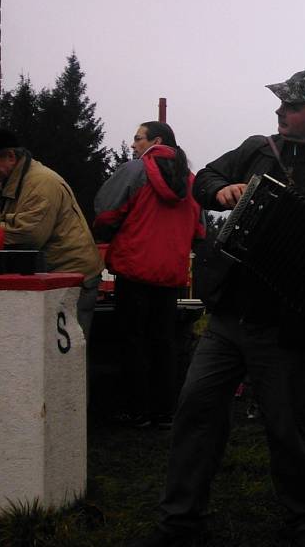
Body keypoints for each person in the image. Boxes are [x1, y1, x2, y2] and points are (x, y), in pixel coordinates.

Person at [130, 70, 305, 547]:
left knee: (292, 431)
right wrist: (219, 192)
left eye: (291, 105)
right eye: (280, 103)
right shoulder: (257, 150)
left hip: (291, 332)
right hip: (228, 318)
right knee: (196, 413)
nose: (279, 111)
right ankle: (179, 522)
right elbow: (205, 178)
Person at [93, 122, 205, 428]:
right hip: (170, 275)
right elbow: (199, 230)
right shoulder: (192, 181)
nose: (133, 145)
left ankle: (136, 410)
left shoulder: (134, 171)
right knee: (164, 342)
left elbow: (105, 213)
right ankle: (165, 411)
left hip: (134, 269)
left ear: (156, 141)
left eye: (137, 138)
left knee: (133, 341)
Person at [0, 127, 103, 340]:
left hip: (72, 278)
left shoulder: (40, 183)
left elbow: (29, 235)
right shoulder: (23, 180)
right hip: (63, 274)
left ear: (10, 156)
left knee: (68, 352)